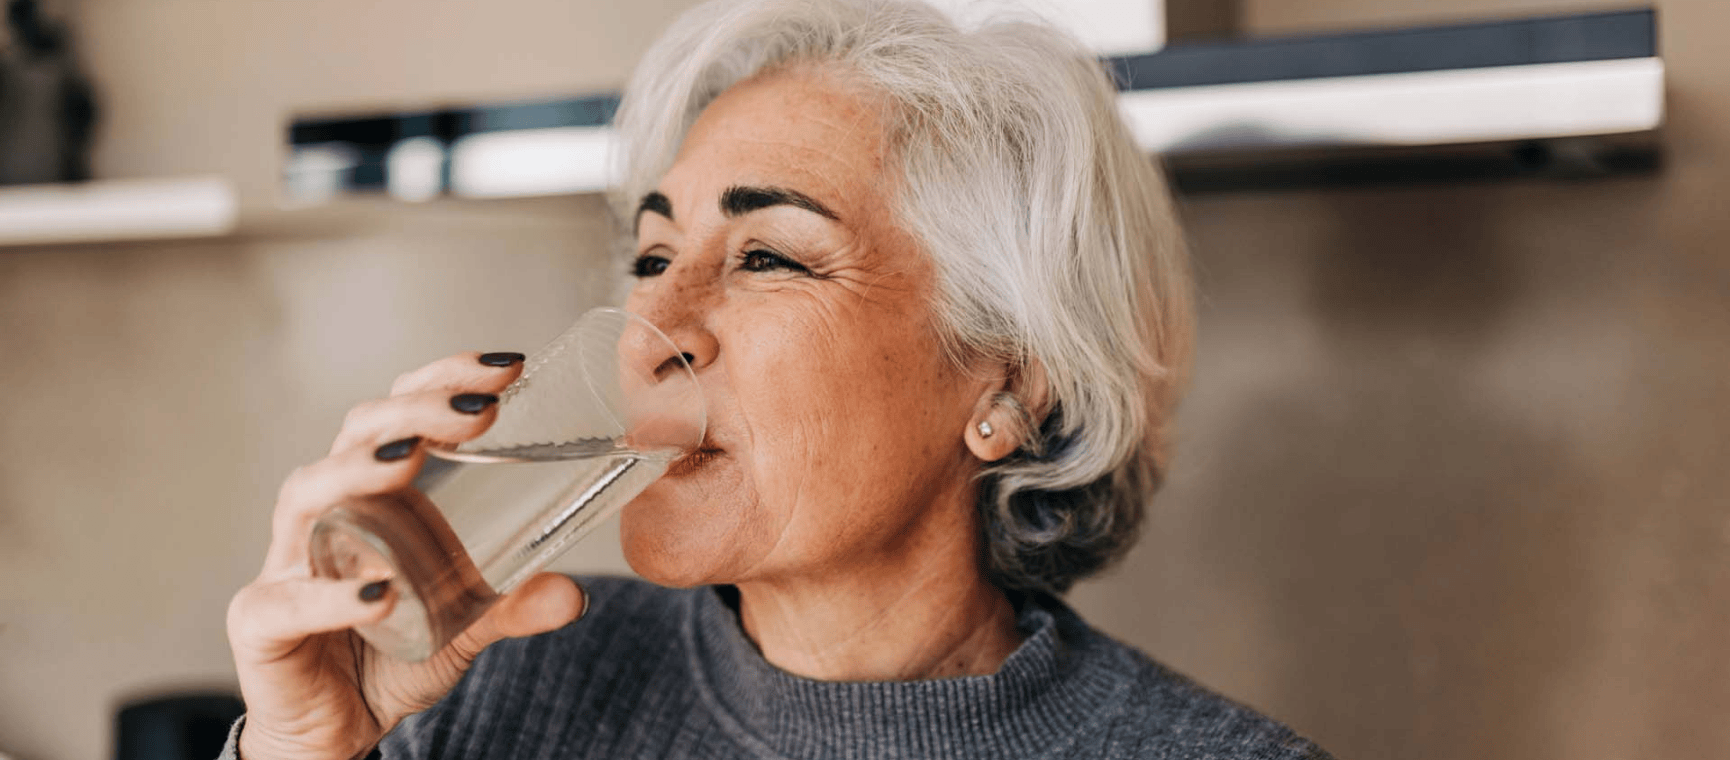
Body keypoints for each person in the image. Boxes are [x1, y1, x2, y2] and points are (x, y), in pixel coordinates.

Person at [221, 0, 1334, 757]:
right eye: (652, 256)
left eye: (766, 257)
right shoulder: (498, 683)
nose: (652, 319)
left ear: (1006, 387)